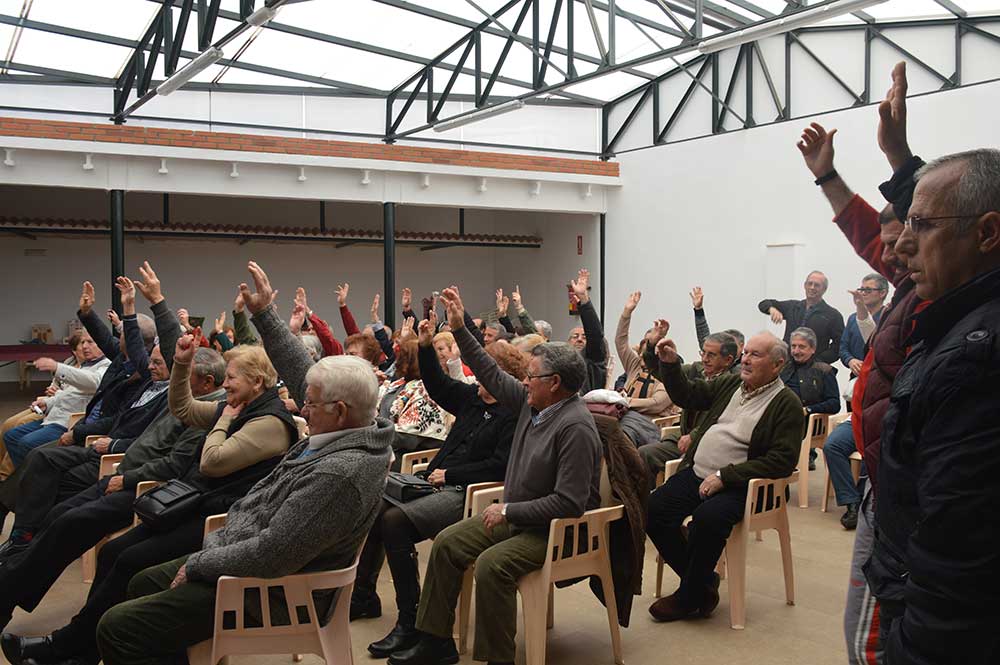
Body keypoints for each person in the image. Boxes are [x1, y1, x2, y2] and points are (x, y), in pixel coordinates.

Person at [92, 261, 394, 665]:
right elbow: (304, 372)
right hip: (240, 557)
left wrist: (200, 563)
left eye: (310, 403)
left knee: (116, 627)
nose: (301, 406)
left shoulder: (341, 474)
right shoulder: (353, 426)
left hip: (270, 592)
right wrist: (264, 315)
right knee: (140, 580)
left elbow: (273, 553)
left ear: (339, 411)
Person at [387, 286, 601, 665]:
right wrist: (458, 328)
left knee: (492, 566)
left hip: (556, 530)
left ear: (554, 383)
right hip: (521, 516)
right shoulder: (531, 404)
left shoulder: (576, 427)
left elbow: (570, 502)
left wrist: (508, 511)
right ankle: (436, 641)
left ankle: (498, 659)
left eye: (532, 376)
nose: (523, 381)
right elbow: (489, 371)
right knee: (448, 544)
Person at [796, 61, 925, 665]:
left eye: (911, 231)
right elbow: (869, 232)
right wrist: (829, 176)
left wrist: (901, 162)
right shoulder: (918, 281)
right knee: (863, 637)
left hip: (908, 496)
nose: (892, 247)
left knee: (874, 644)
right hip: (884, 481)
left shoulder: (948, 295)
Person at [864, 149, 1000, 664]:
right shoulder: (955, 315)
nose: (900, 244)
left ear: (987, 234)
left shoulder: (977, 362)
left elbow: (958, 562)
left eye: (920, 225)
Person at [357, 310, 520, 658]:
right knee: (376, 507)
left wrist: (452, 475)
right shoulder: (472, 399)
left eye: (487, 372)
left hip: (470, 494)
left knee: (395, 522)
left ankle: (410, 620)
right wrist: (427, 346)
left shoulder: (512, 411)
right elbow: (437, 384)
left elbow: (500, 466)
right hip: (437, 482)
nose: (478, 378)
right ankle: (365, 596)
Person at [0, 273, 180, 561]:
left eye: (120, 334)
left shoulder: (160, 383)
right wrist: (87, 313)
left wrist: (139, 307)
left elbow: (147, 441)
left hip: (108, 448)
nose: (115, 337)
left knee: (39, 461)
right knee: (29, 450)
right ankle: (24, 534)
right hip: (92, 434)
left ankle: (26, 535)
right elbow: (114, 342)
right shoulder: (135, 368)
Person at [643, 331, 803, 621]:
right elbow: (688, 395)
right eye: (747, 353)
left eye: (756, 354)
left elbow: (782, 461)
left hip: (742, 485)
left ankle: (688, 596)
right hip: (698, 472)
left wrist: (726, 476)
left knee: (707, 518)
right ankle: (702, 584)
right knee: (653, 510)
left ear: (777, 365)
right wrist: (669, 364)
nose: (746, 359)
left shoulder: (786, 403)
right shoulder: (732, 383)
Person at [636, 327, 738, 488]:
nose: (704, 359)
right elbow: (662, 372)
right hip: (682, 438)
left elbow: (723, 420)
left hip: (708, 446)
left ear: (728, 360)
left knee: (648, 454)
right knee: (643, 452)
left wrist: (694, 436)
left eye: (711, 355)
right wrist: (652, 346)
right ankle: (641, 501)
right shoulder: (695, 370)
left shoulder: (732, 384)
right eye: (702, 352)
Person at [2, 332, 109, 468]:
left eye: (90, 342)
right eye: (82, 343)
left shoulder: (106, 366)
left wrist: (57, 367)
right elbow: (67, 393)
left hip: (69, 423)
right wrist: (47, 403)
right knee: (11, 435)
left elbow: (93, 382)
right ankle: (23, 477)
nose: (84, 347)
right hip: (54, 417)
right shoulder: (85, 365)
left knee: (26, 442)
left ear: (103, 344)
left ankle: (31, 480)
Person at [758, 271, 844, 364]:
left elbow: (838, 345)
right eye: (810, 284)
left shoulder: (833, 315)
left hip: (813, 369)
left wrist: (818, 361)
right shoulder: (792, 307)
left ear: (824, 289)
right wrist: (772, 309)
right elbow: (763, 304)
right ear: (805, 285)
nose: (812, 287)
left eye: (817, 285)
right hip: (787, 364)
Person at [615, 291, 674, 419]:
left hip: (647, 424)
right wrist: (627, 312)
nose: (651, 348)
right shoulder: (635, 365)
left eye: (655, 343)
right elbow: (621, 342)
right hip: (622, 416)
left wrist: (624, 401)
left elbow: (657, 404)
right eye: (648, 343)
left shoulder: (669, 372)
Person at [566, 268, 608, 394]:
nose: (579, 339)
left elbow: (595, 334)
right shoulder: (560, 360)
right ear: (567, 342)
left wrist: (584, 299)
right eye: (575, 336)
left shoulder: (591, 359)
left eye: (584, 337)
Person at [840, 274, 888, 376]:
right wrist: (850, 360)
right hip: (856, 376)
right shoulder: (853, 319)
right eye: (861, 290)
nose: (863, 294)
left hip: (880, 376)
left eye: (868, 290)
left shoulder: (889, 317)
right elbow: (843, 348)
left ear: (882, 293)